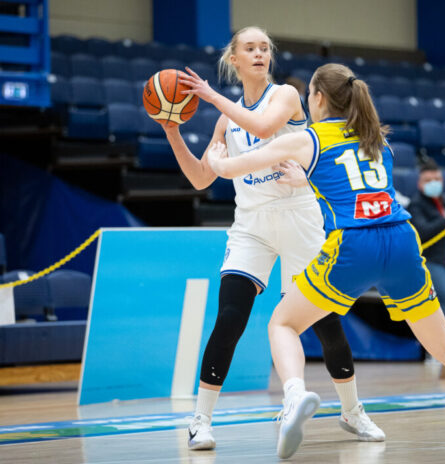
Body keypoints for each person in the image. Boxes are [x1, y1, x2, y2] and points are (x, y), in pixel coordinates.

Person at [206, 63, 445, 459]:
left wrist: (217, 155)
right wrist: (306, 180)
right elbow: (353, 180)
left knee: (283, 323)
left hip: (355, 245)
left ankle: (294, 397)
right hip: (401, 241)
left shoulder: (307, 138)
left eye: (309, 95)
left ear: (318, 98)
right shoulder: (376, 137)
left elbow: (230, 169)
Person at [158, 26, 383, 450]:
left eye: (265, 48)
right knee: (230, 316)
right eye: (250, 48)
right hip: (252, 225)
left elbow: (262, 128)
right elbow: (201, 178)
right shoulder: (226, 120)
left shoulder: (285, 96)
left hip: (299, 218)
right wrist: (172, 130)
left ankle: (352, 412)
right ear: (235, 59)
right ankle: (200, 421)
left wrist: (210, 96)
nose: (260, 53)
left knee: (326, 321)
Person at [407, 159, 445, 323]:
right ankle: (439, 339)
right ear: (419, 184)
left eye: (437, 179)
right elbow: (421, 233)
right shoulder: (416, 205)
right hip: (431, 261)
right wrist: (444, 221)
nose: (434, 183)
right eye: (428, 180)